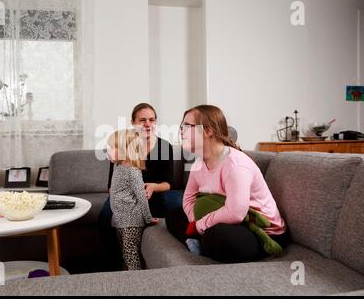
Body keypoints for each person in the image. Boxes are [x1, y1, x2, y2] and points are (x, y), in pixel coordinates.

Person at [165, 105, 288, 263]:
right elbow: (188, 198)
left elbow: (236, 213)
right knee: (172, 215)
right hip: (225, 218)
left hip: (261, 231)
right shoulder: (199, 163)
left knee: (216, 236)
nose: (181, 131)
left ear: (208, 131)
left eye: (187, 126)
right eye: (182, 127)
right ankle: (198, 240)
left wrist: (200, 224)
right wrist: (195, 220)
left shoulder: (236, 165)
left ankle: (198, 239)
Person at [98, 103, 183, 269]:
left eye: (152, 120)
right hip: (128, 196)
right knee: (105, 215)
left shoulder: (164, 146)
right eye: (142, 120)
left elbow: (168, 183)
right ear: (133, 122)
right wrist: (129, 196)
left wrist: (152, 187)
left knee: (177, 203)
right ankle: (112, 263)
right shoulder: (123, 145)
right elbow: (111, 186)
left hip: (156, 193)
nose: (147, 124)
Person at [107, 129, 159, 270]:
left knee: (131, 256)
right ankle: (127, 281)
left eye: (112, 148)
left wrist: (148, 218)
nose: (108, 151)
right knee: (125, 255)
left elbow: (141, 196)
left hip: (131, 221)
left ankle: (137, 284)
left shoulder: (133, 171)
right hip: (119, 219)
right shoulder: (118, 166)